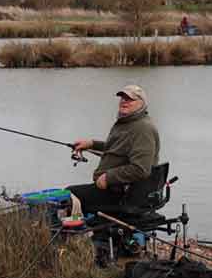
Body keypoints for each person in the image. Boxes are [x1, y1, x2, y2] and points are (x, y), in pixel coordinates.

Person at [67, 85, 160, 215]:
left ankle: (72, 234)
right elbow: (120, 147)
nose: (124, 101)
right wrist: (92, 144)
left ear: (141, 103)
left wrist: (108, 177)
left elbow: (140, 169)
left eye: (130, 99)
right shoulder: (129, 123)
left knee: (67, 195)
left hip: (121, 194)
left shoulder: (143, 128)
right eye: (122, 98)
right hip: (116, 188)